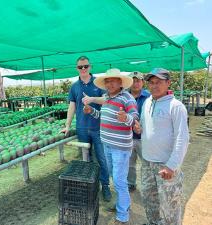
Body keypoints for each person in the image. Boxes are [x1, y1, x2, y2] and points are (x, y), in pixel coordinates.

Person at [134, 68, 189, 225]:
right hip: (147, 162)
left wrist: (171, 166)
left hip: (166, 165)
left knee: (170, 205)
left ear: (168, 83)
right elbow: (145, 128)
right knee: (149, 200)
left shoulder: (176, 106)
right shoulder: (146, 103)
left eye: (158, 82)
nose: (154, 86)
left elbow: (182, 137)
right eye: (151, 82)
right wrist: (139, 129)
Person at [84, 68, 138, 224]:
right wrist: (91, 110)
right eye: (107, 81)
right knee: (115, 178)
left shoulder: (127, 98)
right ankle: (122, 204)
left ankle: (123, 214)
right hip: (107, 145)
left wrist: (125, 118)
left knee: (120, 181)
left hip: (120, 148)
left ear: (120, 82)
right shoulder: (106, 98)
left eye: (113, 80)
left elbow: (134, 118)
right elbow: (103, 116)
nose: (110, 83)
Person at [61, 56, 112, 202]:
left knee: (102, 158)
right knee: (86, 159)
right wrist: (67, 125)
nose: (83, 69)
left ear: (90, 67)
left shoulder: (99, 84)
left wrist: (92, 99)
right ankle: (90, 186)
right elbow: (72, 106)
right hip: (82, 128)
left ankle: (105, 186)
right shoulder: (74, 86)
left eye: (85, 66)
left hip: (98, 128)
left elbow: (106, 100)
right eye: (80, 67)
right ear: (77, 68)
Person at [127, 71, 150, 192]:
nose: (135, 83)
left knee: (147, 163)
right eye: (133, 81)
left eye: (138, 80)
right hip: (128, 137)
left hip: (144, 138)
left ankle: (148, 186)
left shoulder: (149, 97)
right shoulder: (124, 96)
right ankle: (131, 183)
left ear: (143, 82)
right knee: (130, 164)